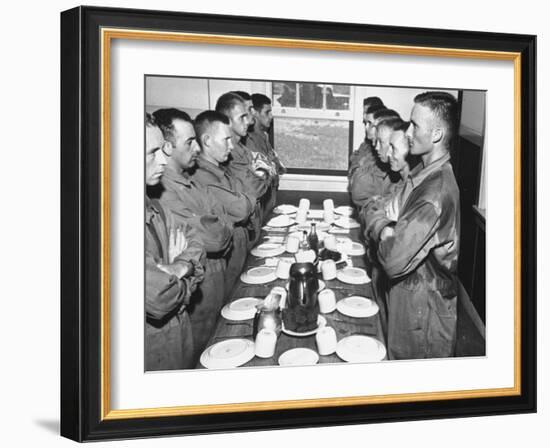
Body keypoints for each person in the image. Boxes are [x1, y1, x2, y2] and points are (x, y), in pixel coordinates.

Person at [366, 92, 460, 360]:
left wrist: (384, 228)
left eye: (415, 125)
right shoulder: (423, 173)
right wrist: (387, 226)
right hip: (407, 300)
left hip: (422, 314)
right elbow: (377, 207)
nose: (407, 132)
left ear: (436, 134)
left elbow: (393, 259)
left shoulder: (434, 193)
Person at [152, 108, 235, 360]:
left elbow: (224, 224)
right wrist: (218, 225)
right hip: (198, 298)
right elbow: (211, 239)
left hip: (212, 282)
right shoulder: (163, 192)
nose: (197, 148)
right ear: (168, 146)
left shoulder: (191, 180)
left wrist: (219, 225)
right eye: (189, 142)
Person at [144, 113, 205, 371]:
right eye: (152, 152)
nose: (162, 159)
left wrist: (179, 268)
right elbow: (160, 297)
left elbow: (197, 243)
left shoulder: (154, 207)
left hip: (178, 336)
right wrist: (183, 276)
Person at [191, 110, 257, 295]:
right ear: (207, 141)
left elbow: (248, 195)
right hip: (220, 265)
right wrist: (245, 199)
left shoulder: (221, 169)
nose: (231, 146)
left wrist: (244, 199)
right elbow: (242, 208)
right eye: (226, 140)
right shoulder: (202, 176)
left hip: (237, 249)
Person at [216, 92, 271, 246]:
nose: (249, 121)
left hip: (254, 221)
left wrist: (262, 174)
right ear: (227, 121)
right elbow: (254, 189)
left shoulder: (243, 148)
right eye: (242, 117)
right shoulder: (229, 153)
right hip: (239, 230)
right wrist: (263, 174)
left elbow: (268, 173)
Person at [350, 109, 401, 207]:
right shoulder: (372, 151)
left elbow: (359, 193)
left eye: (370, 124)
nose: (367, 128)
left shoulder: (393, 167)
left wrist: (357, 171)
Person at [246, 93, 286, 213]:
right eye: (267, 112)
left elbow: (281, 169)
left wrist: (273, 163)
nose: (271, 116)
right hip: (259, 205)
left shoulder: (264, 136)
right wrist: (272, 165)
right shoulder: (248, 141)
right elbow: (259, 177)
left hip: (270, 202)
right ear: (255, 114)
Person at [348, 97, 384, 178]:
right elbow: (353, 161)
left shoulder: (384, 147)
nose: (364, 116)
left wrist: (359, 165)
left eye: (366, 112)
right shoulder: (366, 143)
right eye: (363, 112)